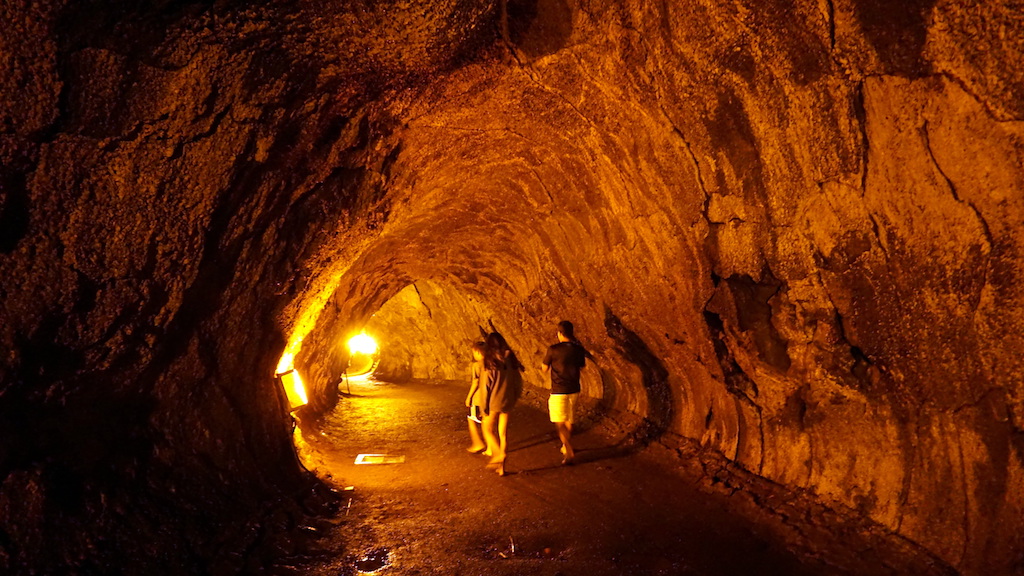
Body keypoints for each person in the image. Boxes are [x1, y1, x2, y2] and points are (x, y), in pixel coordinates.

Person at [541, 320, 588, 465]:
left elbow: (544, 367)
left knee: (560, 423)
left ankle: (568, 451)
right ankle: (565, 445)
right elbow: (582, 366)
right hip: (574, 389)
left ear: (560, 333)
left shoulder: (553, 349)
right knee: (569, 419)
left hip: (558, 391)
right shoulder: (578, 349)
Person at [480, 331, 523, 476]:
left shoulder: (490, 360)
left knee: (487, 428)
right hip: (508, 399)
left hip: (494, 401)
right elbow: (518, 380)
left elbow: (485, 386)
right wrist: (516, 395)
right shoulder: (511, 359)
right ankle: (502, 468)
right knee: (503, 433)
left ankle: (498, 454)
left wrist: (483, 407)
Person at [464, 342, 487, 454]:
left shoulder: (477, 365)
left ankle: (478, 443)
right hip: (489, 398)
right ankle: (491, 448)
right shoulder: (491, 364)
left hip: (478, 398)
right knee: (487, 422)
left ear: (478, 352)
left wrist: (469, 397)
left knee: (471, 418)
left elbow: (475, 382)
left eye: (474, 352)